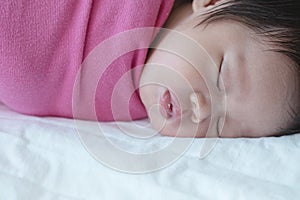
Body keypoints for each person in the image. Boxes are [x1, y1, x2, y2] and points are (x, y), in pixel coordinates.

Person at [0, 0, 299, 138]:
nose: (203, 110)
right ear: (211, 3)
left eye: (221, 126)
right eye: (220, 77)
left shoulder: (127, 106)